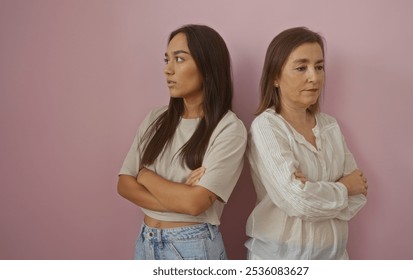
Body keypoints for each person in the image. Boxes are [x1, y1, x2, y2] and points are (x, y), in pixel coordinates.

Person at [117, 24, 247, 260]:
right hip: (145, 242)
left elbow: (195, 204)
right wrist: (180, 197)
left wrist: (145, 176)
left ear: (207, 66)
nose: (168, 70)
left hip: (192, 245)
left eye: (179, 59)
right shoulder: (155, 119)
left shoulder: (229, 128)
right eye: (167, 60)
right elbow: (124, 184)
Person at [245, 27, 368, 260]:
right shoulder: (267, 127)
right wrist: (343, 187)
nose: (314, 77)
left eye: (319, 67)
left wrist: (312, 189)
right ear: (275, 77)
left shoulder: (330, 126)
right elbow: (297, 201)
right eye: (301, 68)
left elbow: (359, 195)